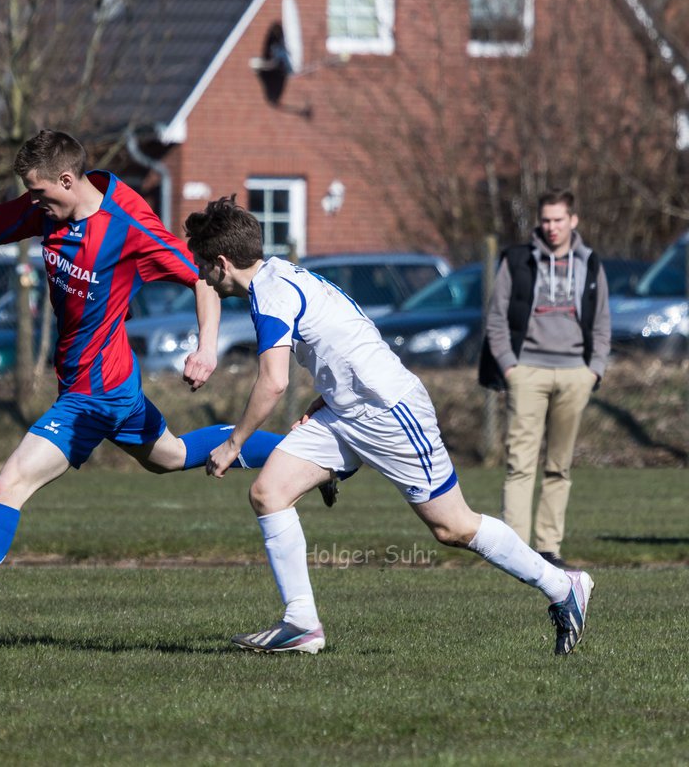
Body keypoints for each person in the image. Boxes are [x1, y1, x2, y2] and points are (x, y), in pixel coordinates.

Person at [0, 129, 289, 650]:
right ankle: (301, 454)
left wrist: (206, 348)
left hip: (95, 393)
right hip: (110, 385)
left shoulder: (128, 224)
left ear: (67, 180)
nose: (35, 202)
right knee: (171, 455)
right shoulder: (50, 209)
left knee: (10, 485)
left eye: (41, 191)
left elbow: (202, 279)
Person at [185, 196, 593, 656]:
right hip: (345, 410)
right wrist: (330, 395)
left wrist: (233, 443)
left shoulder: (273, 293)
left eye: (202, 266)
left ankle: (563, 585)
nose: (199, 276)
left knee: (452, 527)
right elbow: (347, 333)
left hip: (389, 410)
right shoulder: (280, 274)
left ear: (221, 263)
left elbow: (273, 382)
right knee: (268, 493)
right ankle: (301, 623)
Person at [479, 189, 611, 569]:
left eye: (559, 219)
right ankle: (514, 551)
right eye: (546, 220)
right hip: (527, 373)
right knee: (520, 462)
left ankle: (548, 549)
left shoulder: (590, 263)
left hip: (575, 373)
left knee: (560, 465)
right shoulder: (518, 261)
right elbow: (497, 316)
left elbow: (602, 320)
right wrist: (509, 367)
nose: (552, 227)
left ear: (573, 220)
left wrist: (593, 370)